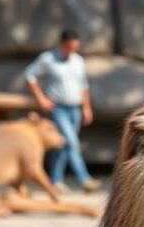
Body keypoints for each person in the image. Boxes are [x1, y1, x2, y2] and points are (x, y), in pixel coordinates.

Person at [24, 29, 99, 193]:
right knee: (72, 142)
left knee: (63, 145)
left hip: (76, 109)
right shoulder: (48, 59)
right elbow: (30, 75)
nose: (71, 51)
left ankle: (55, 180)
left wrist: (86, 107)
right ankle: (84, 179)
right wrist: (41, 99)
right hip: (59, 109)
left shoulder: (78, 60)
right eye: (69, 47)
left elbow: (83, 86)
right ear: (62, 44)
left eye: (74, 47)